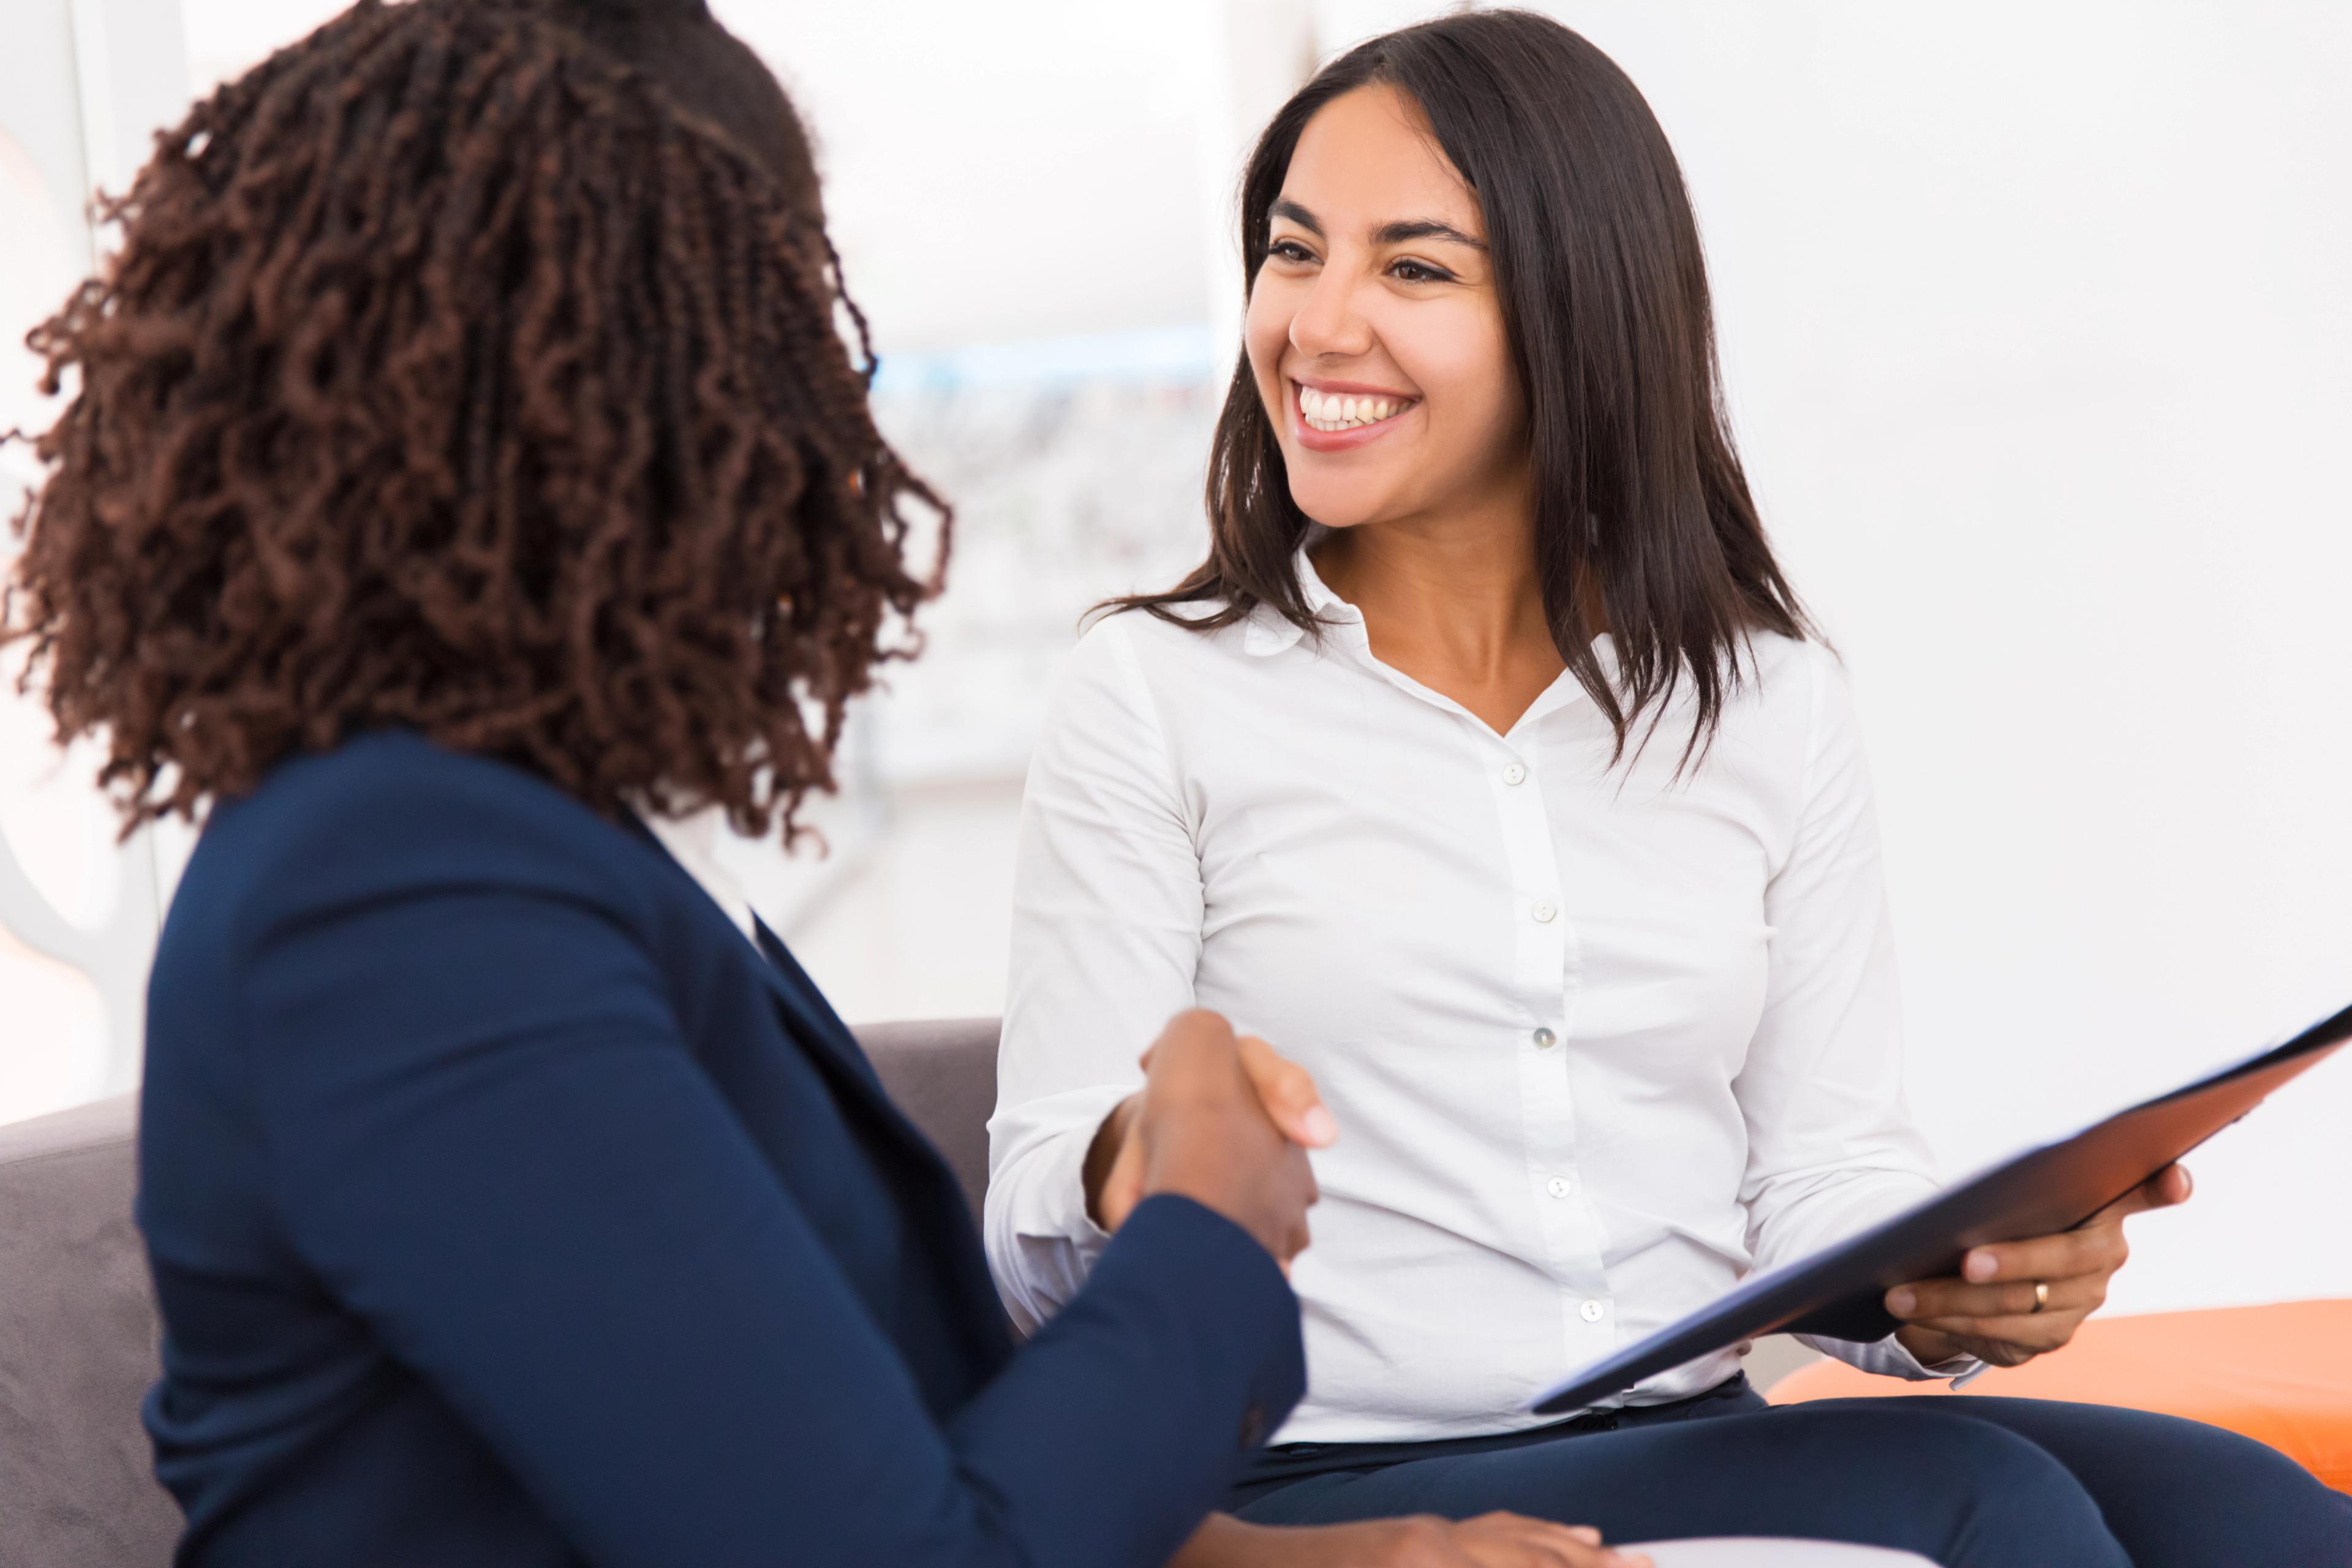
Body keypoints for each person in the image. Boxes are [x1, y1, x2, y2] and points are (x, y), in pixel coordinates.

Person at [3, 2, 1643, 1564]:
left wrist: (1338, 1559)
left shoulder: (510, 846)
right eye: (771, 312)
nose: (808, 410)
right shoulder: (396, 904)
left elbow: (824, 1459)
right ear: (617, 370)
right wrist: (1209, 1228)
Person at [986, 11, 2352, 1567]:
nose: (1316, 321)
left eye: (1413, 269)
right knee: (1994, 1511)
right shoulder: (1154, 693)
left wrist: (1949, 1292)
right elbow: (1031, 1228)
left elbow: (1826, 1166)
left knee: (2262, 1512)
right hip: (1328, 1471)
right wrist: (1132, 1161)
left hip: (1695, 1423)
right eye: (1295, 253)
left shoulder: (1767, 696)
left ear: (1583, 314)